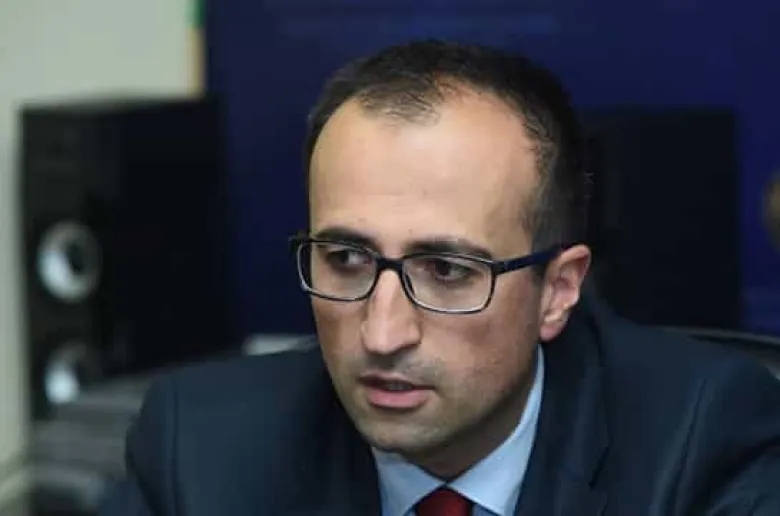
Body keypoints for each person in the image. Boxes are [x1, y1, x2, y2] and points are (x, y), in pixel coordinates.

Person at [99, 40, 780, 516]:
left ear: (557, 292)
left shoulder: (700, 442)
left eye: (447, 270)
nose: (382, 333)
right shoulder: (199, 449)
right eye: (347, 259)